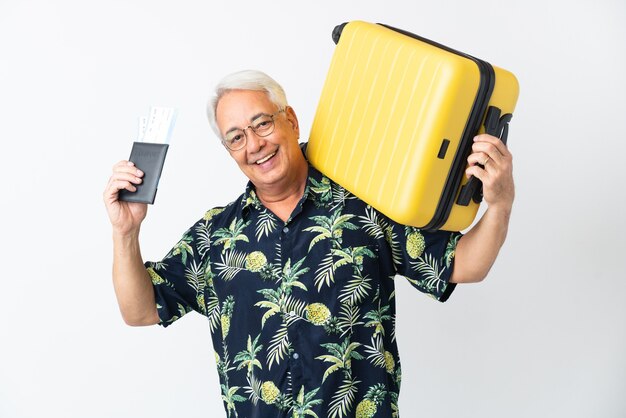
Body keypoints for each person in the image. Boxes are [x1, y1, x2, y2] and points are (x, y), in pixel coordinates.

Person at [103, 70, 514, 418]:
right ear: (229, 151)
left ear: (291, 120)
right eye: (236, 137)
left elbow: (463, 264)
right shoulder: (215, 237)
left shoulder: (364, 204)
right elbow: (140, 311)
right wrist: (126, 232)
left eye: (262, 123)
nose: (254, 144)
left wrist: (499, 203)